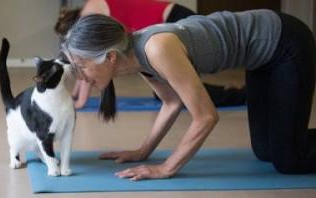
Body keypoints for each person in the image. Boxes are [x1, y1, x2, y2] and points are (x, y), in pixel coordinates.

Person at [61, 9, 316, 181]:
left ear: (110, 57)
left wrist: (167, 167)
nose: (80, 76)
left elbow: (206, 116)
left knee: (288, 161)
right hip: (261, 57)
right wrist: (142, 151)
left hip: (285, 42)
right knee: (265, 152)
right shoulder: (135, 58)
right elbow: (171, 103)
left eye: (81, 65)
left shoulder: (157, 48)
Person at [55, 0, 246, 109]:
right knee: (171, 89)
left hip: (173, 21)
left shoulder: (90, 17)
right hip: (169, 20)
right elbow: (86, 61)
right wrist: (74, 95)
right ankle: (232, 90)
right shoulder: (91, 9)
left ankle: (240, 95)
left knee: (175, 90)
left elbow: (91, 58)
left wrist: (80, 101)